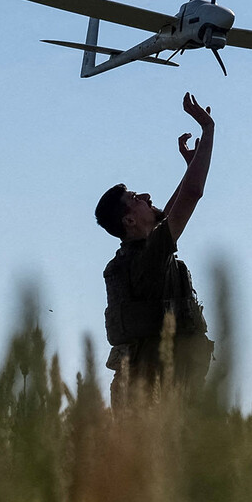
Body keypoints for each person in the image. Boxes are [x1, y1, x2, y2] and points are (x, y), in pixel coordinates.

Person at [94, 93, 216, 405]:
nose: (147, 196)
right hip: (161, 398)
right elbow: (192, 195)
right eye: (136, 198)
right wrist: (209, 129)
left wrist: (191, 165)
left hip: (149, 391)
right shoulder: (147, 258)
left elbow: (173, 209)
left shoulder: (140, 254)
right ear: (130, 220)